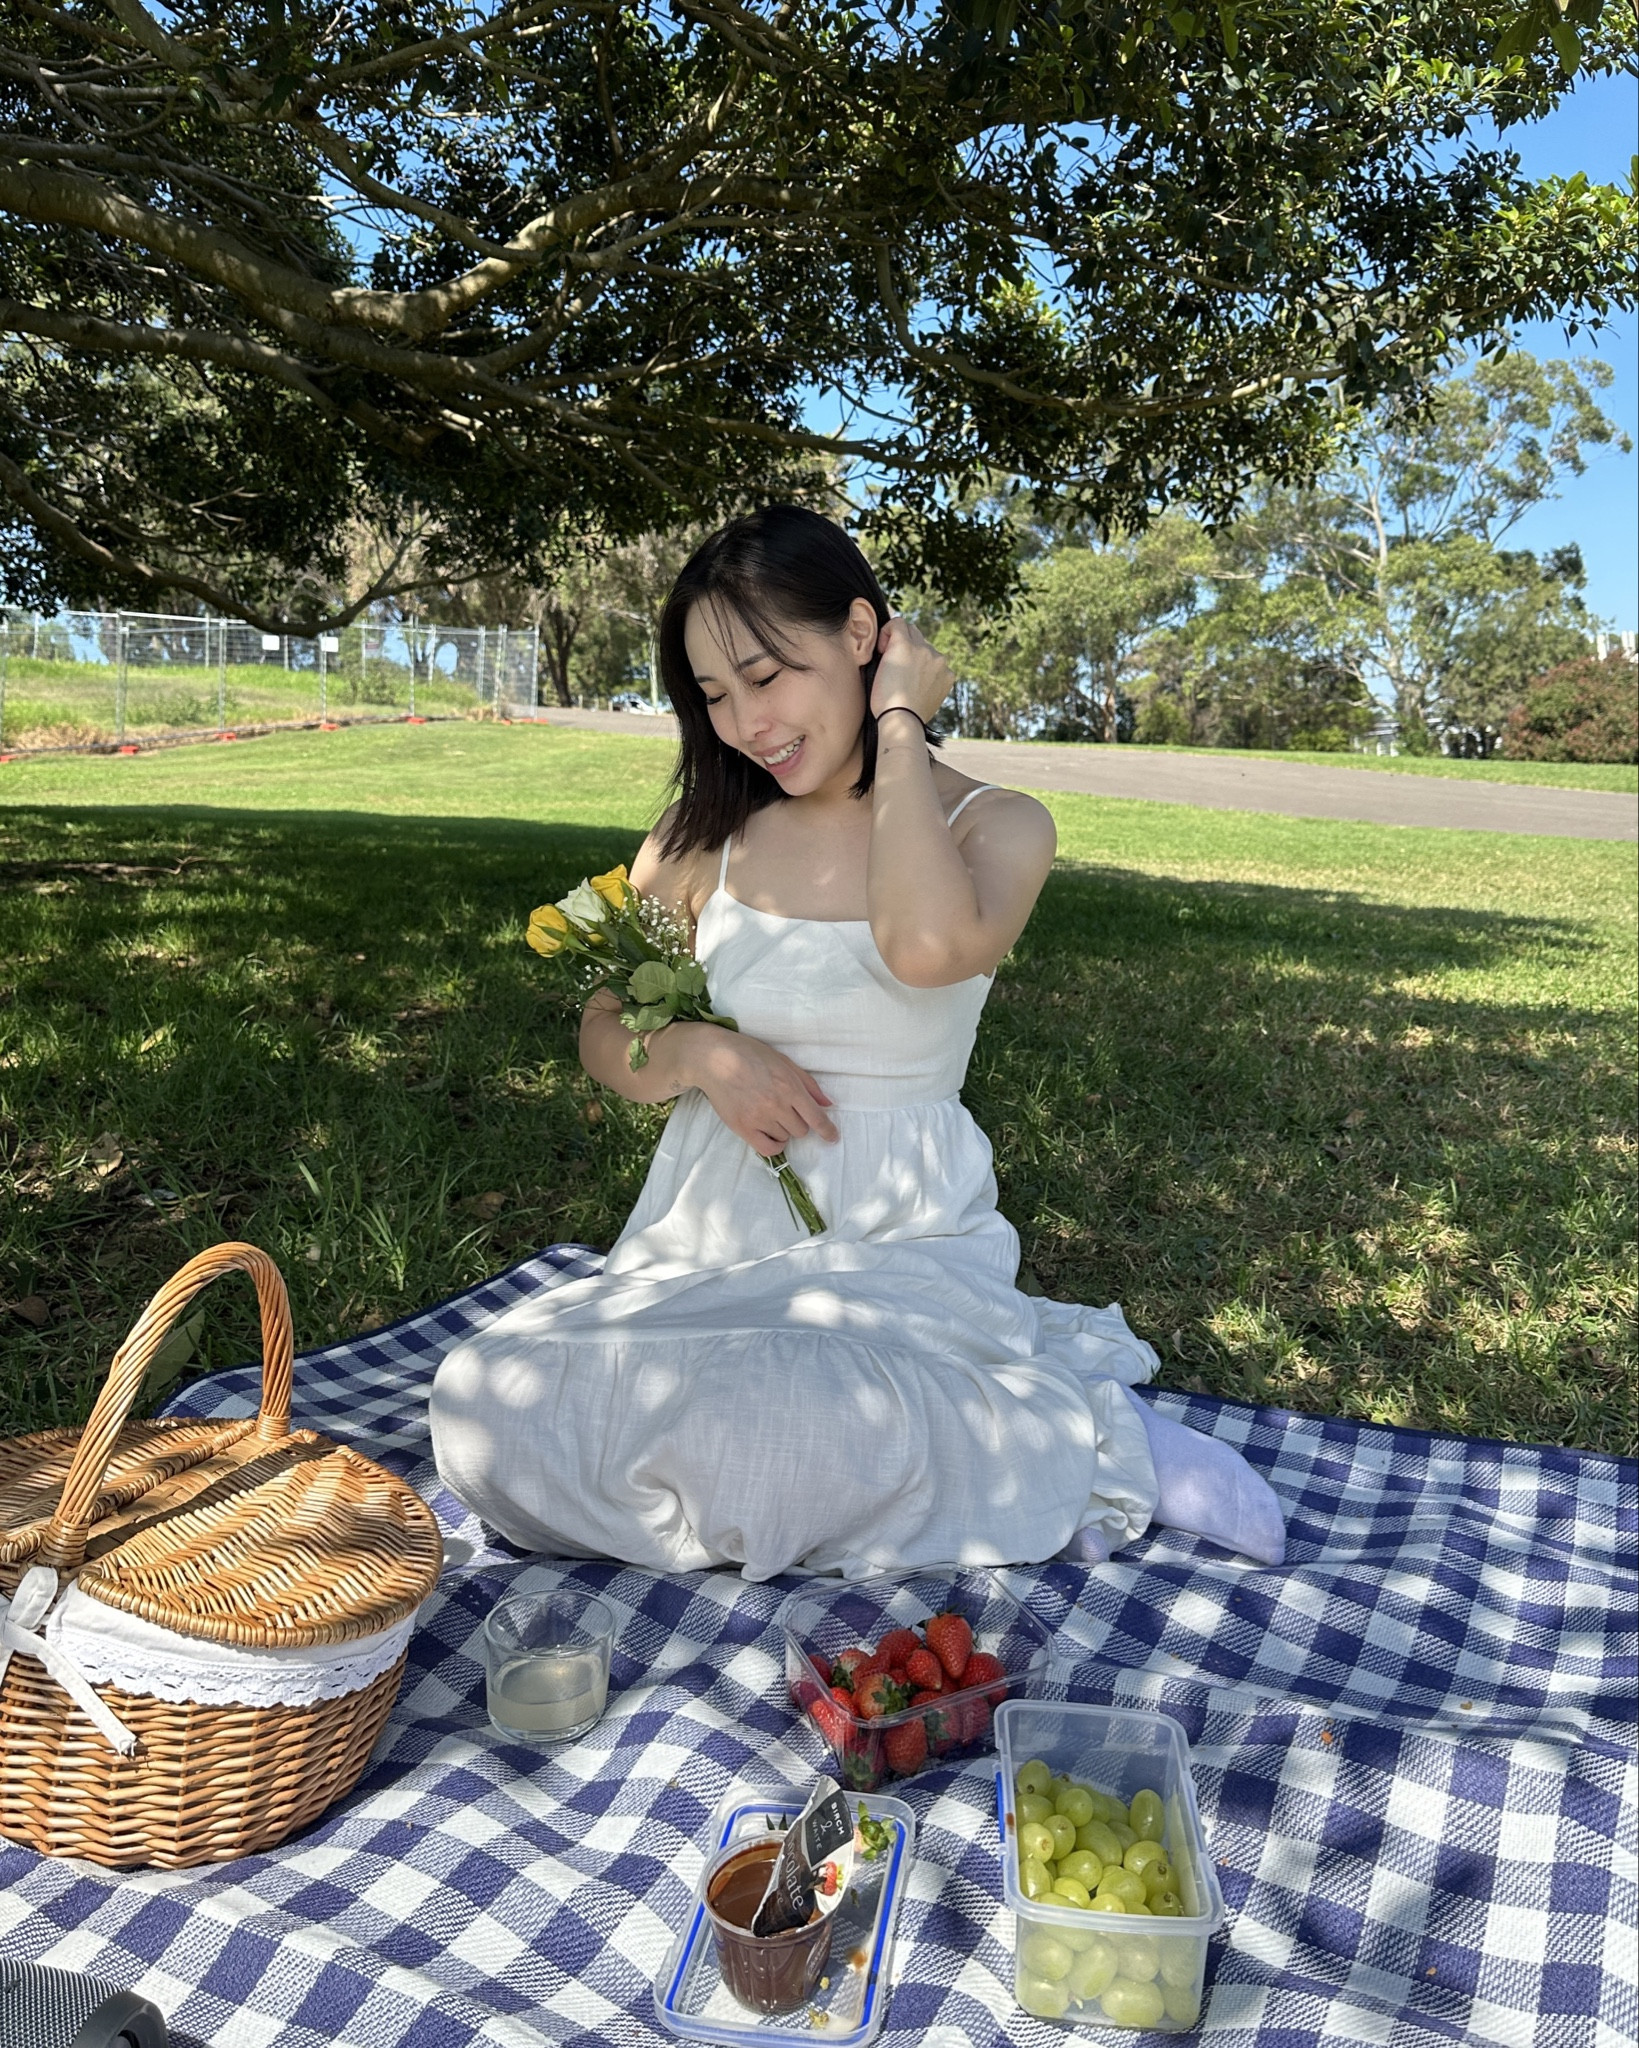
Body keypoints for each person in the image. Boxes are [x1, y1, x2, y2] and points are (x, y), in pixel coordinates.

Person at [431, 507, 1284, 1580]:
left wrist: (898, 733)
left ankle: (1087, 1443)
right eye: (713, 695)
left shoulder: (997, 825)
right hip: (704, 1242)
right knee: (479, 1398)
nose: (744, 720)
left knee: (805, 1403)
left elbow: (926, 946)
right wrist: (699, 1054)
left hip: (901, 1243)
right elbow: (605, 1027)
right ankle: (859, 1486)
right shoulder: (703, 838)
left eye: (766, 673)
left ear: (862, 634)